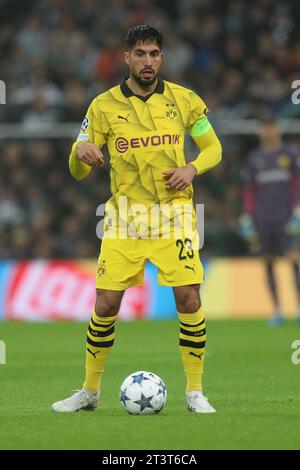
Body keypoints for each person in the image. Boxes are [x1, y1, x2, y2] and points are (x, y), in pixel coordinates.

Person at [52, 25, 222, 413]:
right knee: (107, 303)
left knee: (188, 296)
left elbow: (213, 148)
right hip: (124, 217)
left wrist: (192, 168)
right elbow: (76, 169)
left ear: (162, 57)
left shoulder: (184, 100)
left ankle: (195, 392)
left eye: (155, 54)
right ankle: (89, 392)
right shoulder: (102, 107)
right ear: (126, 57)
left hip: (174, 213)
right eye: (141, 54)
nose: (148, 61)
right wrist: (80, 153)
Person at [241, 118, 300, 326]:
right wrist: (247, 215)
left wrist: (297, 209)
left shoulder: (290, 155)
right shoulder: (254, 158)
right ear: (260, 132)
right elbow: (249, 189)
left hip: (287, 216)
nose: (269, 132)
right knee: (267, 261)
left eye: (272, 128)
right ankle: (277, 310)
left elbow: (297, 183)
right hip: (263, 217)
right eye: (265, 129)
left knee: (295, 259)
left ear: (278, 130)